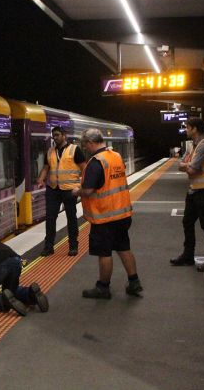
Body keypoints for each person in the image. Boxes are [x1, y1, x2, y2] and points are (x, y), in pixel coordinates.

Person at [72, 128, 142, 299]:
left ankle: (103, 287)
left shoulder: (96, 162)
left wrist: (76, 192)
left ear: (90, 143)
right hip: (122, 214)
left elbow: (88, 190)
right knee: (123, 247)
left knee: (104, 253)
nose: (85, 149)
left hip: (104, 216)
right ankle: (134, 282)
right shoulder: (115, 156)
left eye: (85, 145)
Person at [170, 118, 204, 266]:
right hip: (193, 191)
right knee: (187, 222)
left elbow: (192, 169)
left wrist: (187, 165)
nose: (186, 130)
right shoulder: (193, 146)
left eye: (187, 128)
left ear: (195, 129)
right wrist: (187, 165)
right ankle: (188, 256)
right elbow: (181, 165)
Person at [36, 126, 86, 256]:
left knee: (71, 218)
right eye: (54, 135)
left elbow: (84, 168)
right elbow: (46, 167)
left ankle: (73, 246)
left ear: (64, 135)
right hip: (53, 189)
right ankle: (48, 247)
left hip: (69, 190)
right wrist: (41, 180)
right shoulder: (50, 151)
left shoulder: (75, 150)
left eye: (57, 135)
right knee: (50, 218)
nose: (55, 137)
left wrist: (83, 186)